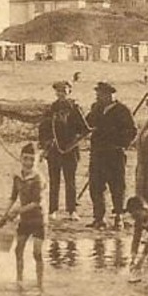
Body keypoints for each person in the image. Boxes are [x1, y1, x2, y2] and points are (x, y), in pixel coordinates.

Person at [85, 82, 137, 231]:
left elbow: (132, 131)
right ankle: (99, 218)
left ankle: (118, 217)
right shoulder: (96, 109)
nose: (98, 96)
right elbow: (86, 124)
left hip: (115, 154)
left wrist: (120, 143)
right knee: (96, 186)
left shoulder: (122, 110)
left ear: (111, 95)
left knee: (117, 186)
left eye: (100, 94)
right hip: (97, 154)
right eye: (97, 94)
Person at [0, 143, 48, 287]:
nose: (28, 163)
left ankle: (40, 284)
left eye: (32, 159)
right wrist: (4, 216)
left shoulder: (38, 178)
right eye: (25, 158)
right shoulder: (17, 177)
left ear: (36, 161)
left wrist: (17, 211)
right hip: (25, 220)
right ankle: (19, 281)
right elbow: (13, 197)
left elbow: (36, 202)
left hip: (38, 219)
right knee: (18, 250)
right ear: (20, 158)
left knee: (37, 253)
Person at [37, 81, 89, 219]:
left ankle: (72, 210)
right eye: (59, 91)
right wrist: (46, 144)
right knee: (54, 181)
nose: (61, 94)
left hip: (70, 150)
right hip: (54, 150)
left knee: (70, 181)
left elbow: (84, 129)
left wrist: (75, 140)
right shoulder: (52, 109)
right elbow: (43, 129)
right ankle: (53, 210)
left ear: (69, 92)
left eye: (64, 91)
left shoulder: (75, 109)